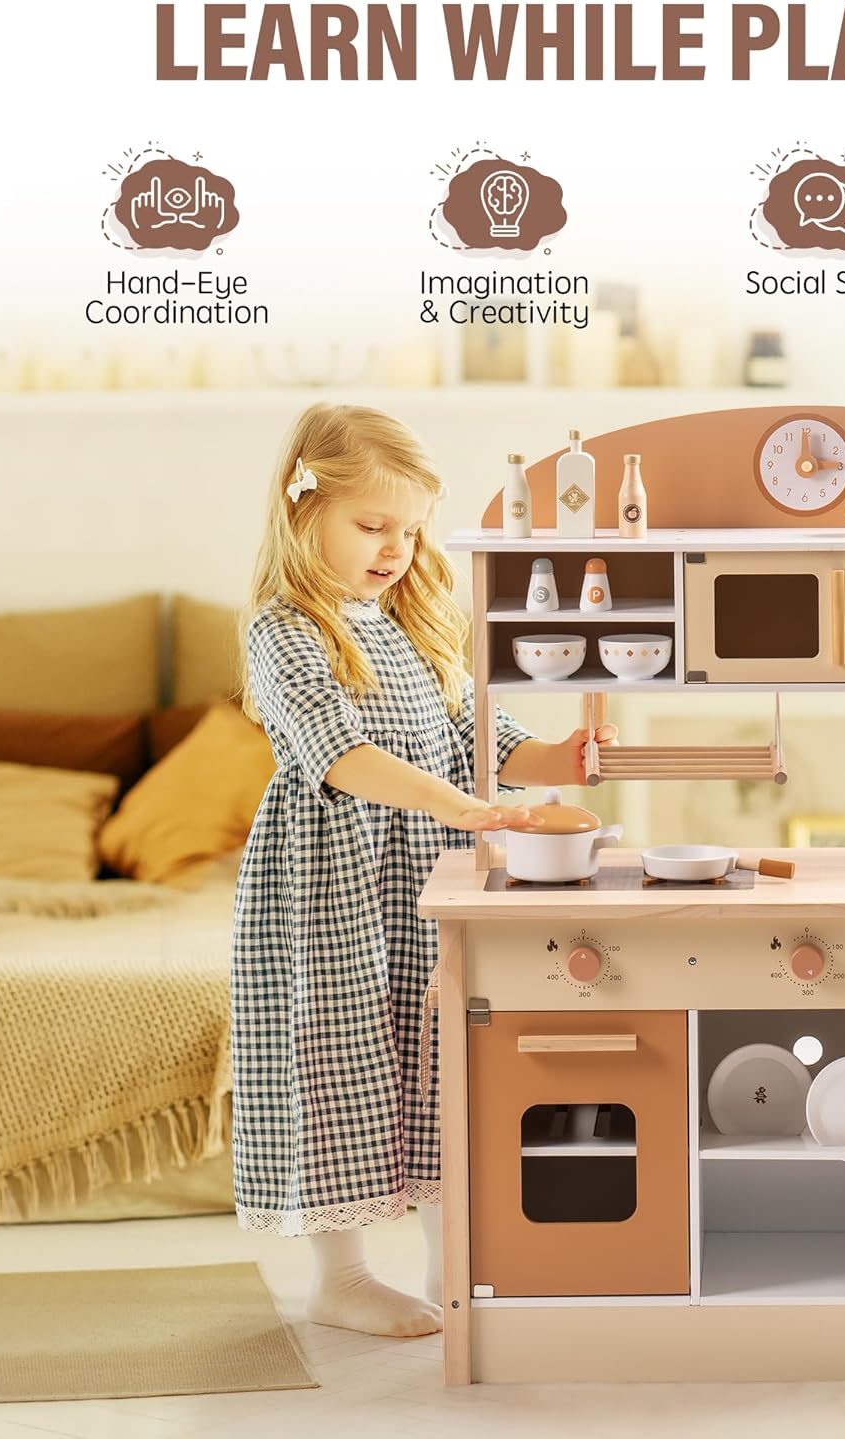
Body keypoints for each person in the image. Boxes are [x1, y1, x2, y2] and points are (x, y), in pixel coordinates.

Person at [231, 403, 616, 1337]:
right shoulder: (286, 629)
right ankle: (342, 1275)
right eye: (372, 526)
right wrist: (454, 804)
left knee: (444, 1055)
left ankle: (459, 1262)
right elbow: (338, 750)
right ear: (302, 512)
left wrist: (554, 758)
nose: (395, 548)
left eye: (408, 529)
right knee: (339, 1058)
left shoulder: (411, 622)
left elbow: (471, 738)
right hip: (329, 887)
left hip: (421, 881)